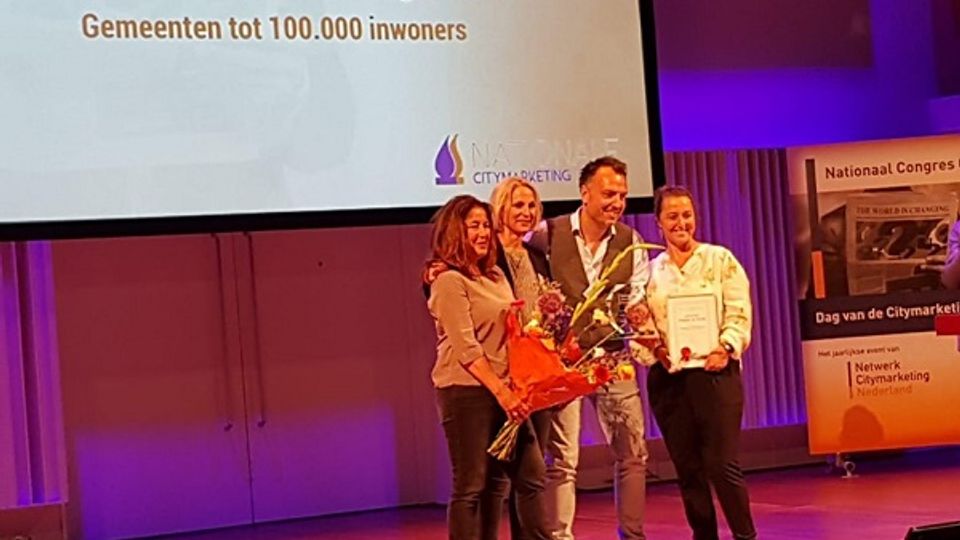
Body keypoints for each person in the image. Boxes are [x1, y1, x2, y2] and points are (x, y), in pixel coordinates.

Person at [528, 156, 651, 540]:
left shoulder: (631, 242)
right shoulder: (547, 234)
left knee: (632, 453)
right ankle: (559, 536)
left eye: (622, 196)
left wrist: (641, 317)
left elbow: (636, 298)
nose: (617, 202)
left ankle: (632, 535)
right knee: (562, 459)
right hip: (564, 361)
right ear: (585, 193)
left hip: (612, 358)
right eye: (609, 194)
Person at [427, 195, 551, 540]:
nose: (483, 233)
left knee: (531, 474)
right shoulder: (448, 280)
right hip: (467, 391)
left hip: (507, 390)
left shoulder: (495, 274)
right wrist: (501, 392)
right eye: (474, 226)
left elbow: (512, 332)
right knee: (471, 485)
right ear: (456, 231)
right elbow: (466, 348)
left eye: (486, 225)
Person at [643, 185, 757, 540]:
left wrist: (726, 346)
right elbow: (640, 323)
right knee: (688, 469)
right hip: (670, 379)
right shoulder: (649, 272)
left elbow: (739, 311)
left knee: (722, 464)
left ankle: (745, 536)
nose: (681, 223)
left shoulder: (720, 260)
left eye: (687, 215)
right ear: (658, 222)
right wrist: (656, 349)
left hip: (715, 375)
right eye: (672, 216)